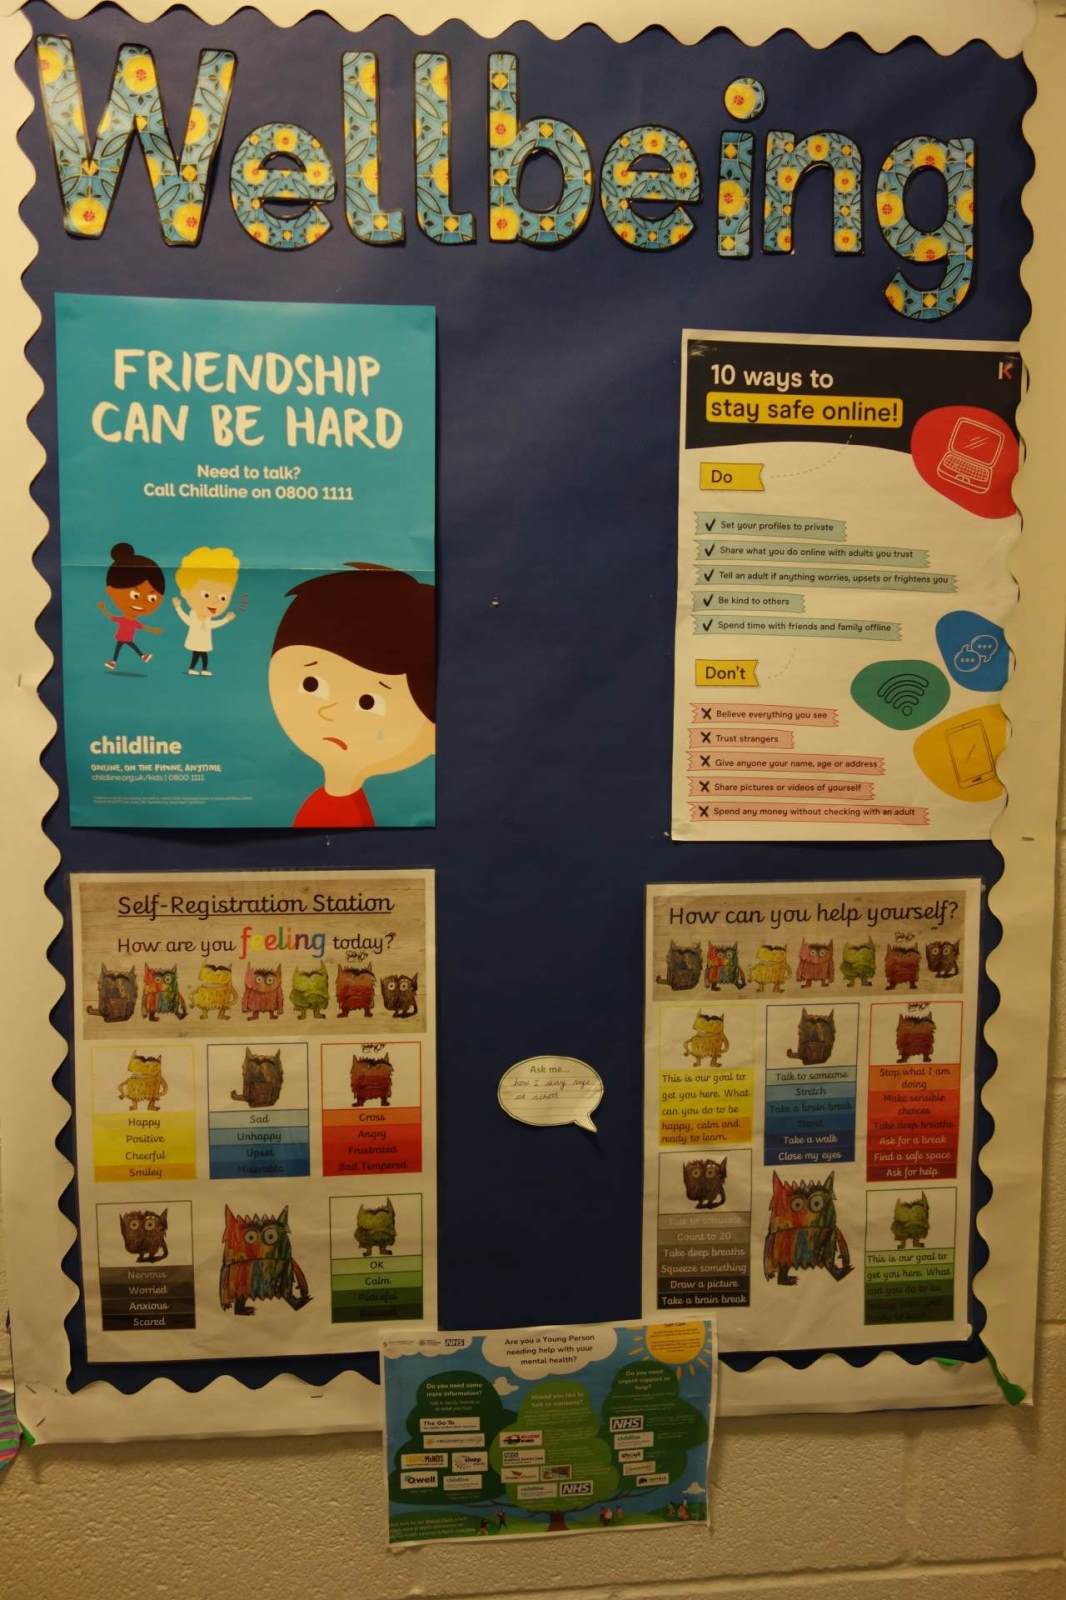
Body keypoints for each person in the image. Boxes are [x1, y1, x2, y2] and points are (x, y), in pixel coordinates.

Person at [269, 563, 436, 829]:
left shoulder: (350, 814)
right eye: (311, 684)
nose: (330, 711)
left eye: (368, 702)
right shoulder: (324, 803)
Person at [172, 545, 239, 675]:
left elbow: (212, 625)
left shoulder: (208, 618)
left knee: (202, 654)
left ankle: (203, 669)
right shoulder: (193, 615)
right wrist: (178, 608)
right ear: (185, 592)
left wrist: (226, 619)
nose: (214, 602)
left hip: (203, 641)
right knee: (197, 653)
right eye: (206, 595)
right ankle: (194, 668)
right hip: (196, 639)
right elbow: (188, 621)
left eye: (223, 598)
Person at [98, 542, 164, 670]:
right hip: (124, 638)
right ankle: (138, 657)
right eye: (135, 595)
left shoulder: (131, 622)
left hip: (124, 638)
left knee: (124, 647)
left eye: (152, 598)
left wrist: (154, 630)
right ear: (111, 591)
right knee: (126, 646)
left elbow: (144, 627)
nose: (141, 603)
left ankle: (120, 660)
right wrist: (103, 609)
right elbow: (111, 617)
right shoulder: (127, 621)